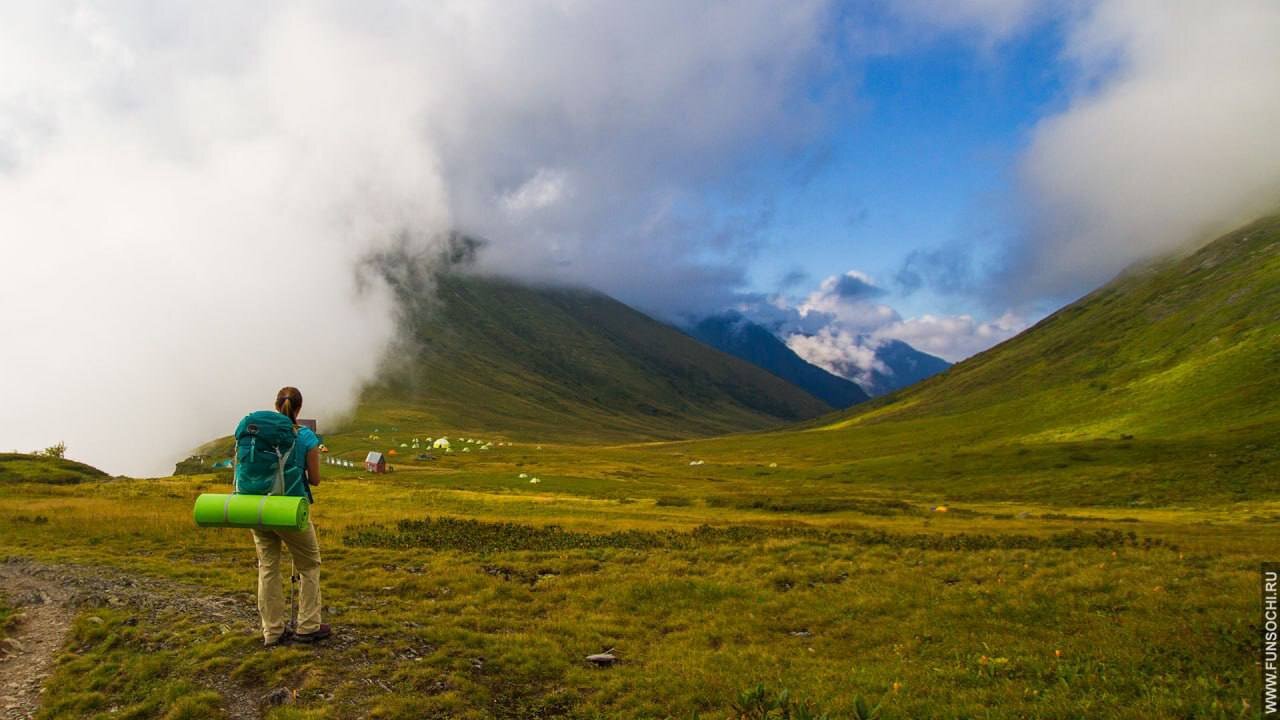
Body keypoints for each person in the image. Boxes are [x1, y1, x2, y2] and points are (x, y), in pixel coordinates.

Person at [251, 386, 331, 646]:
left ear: (276, 406)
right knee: (309, 565)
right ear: (299, 408)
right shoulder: (306, 436)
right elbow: (316, 480)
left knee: (268, 567)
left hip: (256, 507)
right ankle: (308, 627)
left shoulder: (256, 433)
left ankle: (272, 631)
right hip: (290, 509)